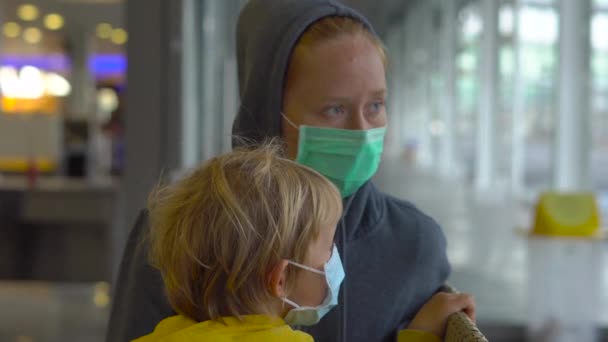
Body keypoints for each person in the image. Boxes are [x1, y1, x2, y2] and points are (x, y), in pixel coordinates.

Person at [106, 0, 474, 341]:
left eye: (375, 105)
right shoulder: (182, 231)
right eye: (334, 109)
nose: (361, 133)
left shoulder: (415, 244)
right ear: (268, 112)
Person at [133, 145, 473, 342]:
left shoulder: (163, 334)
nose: (335, 259)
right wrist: (422, 334)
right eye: (327, 247)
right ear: (280, 280)